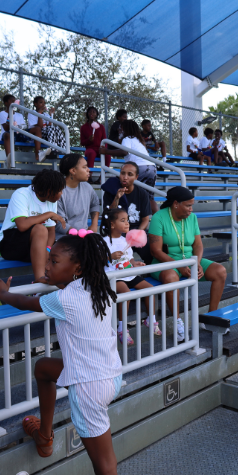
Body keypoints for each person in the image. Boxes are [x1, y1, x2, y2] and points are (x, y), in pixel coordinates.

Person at [3, 233, 122, 473]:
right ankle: (44, 437)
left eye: (54, 262)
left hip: (89, 388)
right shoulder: (96, 285)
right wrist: (58, 278)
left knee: (104, 465)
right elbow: (68, 288)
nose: (47, 266)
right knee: (44, 369)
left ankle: (45, 438)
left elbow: (24, 303)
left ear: (77, 268)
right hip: (109, 374)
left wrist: (3, 294)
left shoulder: (65, 298)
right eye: (49, 259)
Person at [148, 187, 227, 319]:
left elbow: (198, 245)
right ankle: (177, 322)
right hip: (166, 262)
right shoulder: (159, 217)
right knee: (170, 278)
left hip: (190, 260)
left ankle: (211, 317)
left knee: (220, 271)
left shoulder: (192, 217)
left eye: (192, 205)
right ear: (175, 204)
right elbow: (155, 251)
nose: (191, 209)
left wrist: (197, 263)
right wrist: (179, 266)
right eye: (188, 206)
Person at [100, 208, 167, 346]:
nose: (127, 223)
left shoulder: (126, 240)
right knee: (125, 293)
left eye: (127, 220)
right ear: (112, 224)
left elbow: (129, 259)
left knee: (150, 289)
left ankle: (151, 320)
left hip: (128, 274)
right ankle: (122, 328)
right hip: (113, 277)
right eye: (122, 220)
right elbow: (96, 260)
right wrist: (109, 257)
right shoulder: (103, 241)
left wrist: (135, 263)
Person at [0, 169, 66, 280]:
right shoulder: (21, 194)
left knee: (65, 248)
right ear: (49, 191)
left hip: (35, 246)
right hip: (9, 245)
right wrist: (48, 214)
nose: (61, 194)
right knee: (40, 229)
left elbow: (51, 231)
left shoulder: (51, 201)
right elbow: (22, 225)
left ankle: (61, 281)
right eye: (60, 190)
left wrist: (48, 249)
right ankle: (40, 278)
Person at [100, 120, 159, 213]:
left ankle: (115, 210)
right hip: (151, 168)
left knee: (122, 186)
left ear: (126, 129)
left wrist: (106, 151)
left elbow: (124, 151)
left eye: (121, 128)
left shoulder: (127, 139)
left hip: (139, 167)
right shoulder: (138, 140)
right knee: (149, 197)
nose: (120, 130)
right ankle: (158, 219)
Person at [102, 162, 152, 263]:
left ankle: (149, 269)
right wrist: (116, 198)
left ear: (136, 177)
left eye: (130, 174)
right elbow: (108, 216)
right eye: (122, 173)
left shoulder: (142, 193)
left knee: (150, 248)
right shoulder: (111, 192)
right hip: (118, 231)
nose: (125, 177)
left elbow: (145, 219)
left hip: (136, 230)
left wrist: (137, 234)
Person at [57, 154, 99, 239]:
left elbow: (95, 204)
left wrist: (94, 225)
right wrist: (79, 235)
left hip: (83, 237)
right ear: (73, 171)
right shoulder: (57, 191)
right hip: (64, 239)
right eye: (84, 167)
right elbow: (59, 223)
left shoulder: (87, 187)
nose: (88, 170)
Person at [28, 96, 66, 162]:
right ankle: (53, 150)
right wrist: (39, 114)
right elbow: (40, 126)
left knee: (56, 128)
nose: (43, 104)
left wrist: (51, 115)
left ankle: (64, 149)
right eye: (41, 102)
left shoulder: (46, 114)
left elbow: (50, 125)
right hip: (38, 133)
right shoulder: (32, 113)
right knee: (51, 129)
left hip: (47, 133)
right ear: (35, 104)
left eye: (44, 103)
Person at [1, 94, 29, 167]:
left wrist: (19, 127)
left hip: (18, 134)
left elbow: (24, 126)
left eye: (14, 101)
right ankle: (9, 159)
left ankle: (39, 153)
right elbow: (6, 128)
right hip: (7, 134)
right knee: (7, 135)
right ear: (6, 103)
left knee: (32, 132)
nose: (14, 103)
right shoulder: (2, 114)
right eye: (12, 101)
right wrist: (10, 114)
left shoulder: (19, 115)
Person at [80, 106, 110, 171]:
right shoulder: (83, 127)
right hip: (89, 149)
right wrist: (89, 140)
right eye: (90, 112)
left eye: (94, 112)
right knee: (91, 153)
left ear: (96, 115)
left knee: (108, 155)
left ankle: (102, 175)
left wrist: (104, 149)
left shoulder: (101, 127)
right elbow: (82, 142)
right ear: (87, 114)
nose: (92, 113)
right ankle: (89, 174)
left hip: (100, 149)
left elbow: (104, 140)